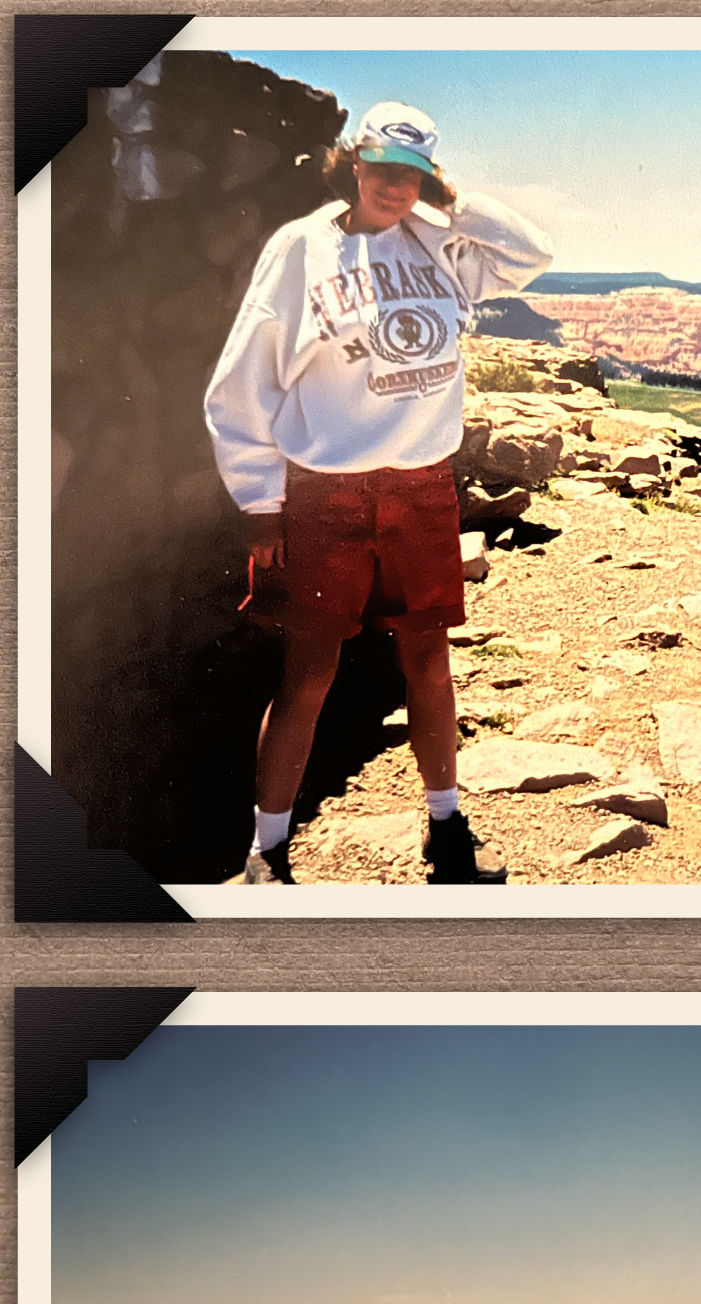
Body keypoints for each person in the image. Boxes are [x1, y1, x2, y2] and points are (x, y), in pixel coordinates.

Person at [204, 99, 556, 886]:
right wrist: (260, 499)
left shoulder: (439, 243)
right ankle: (266, 850)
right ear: (351, 162)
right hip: (327, 494)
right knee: (310, 674)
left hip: (422, 490)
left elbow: (534, 253)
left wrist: (453, 201)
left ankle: (446, 826)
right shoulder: (300, 250)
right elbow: (244, 381)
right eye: (383, 168)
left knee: (429, 663)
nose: (394, 186)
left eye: (413, 174)